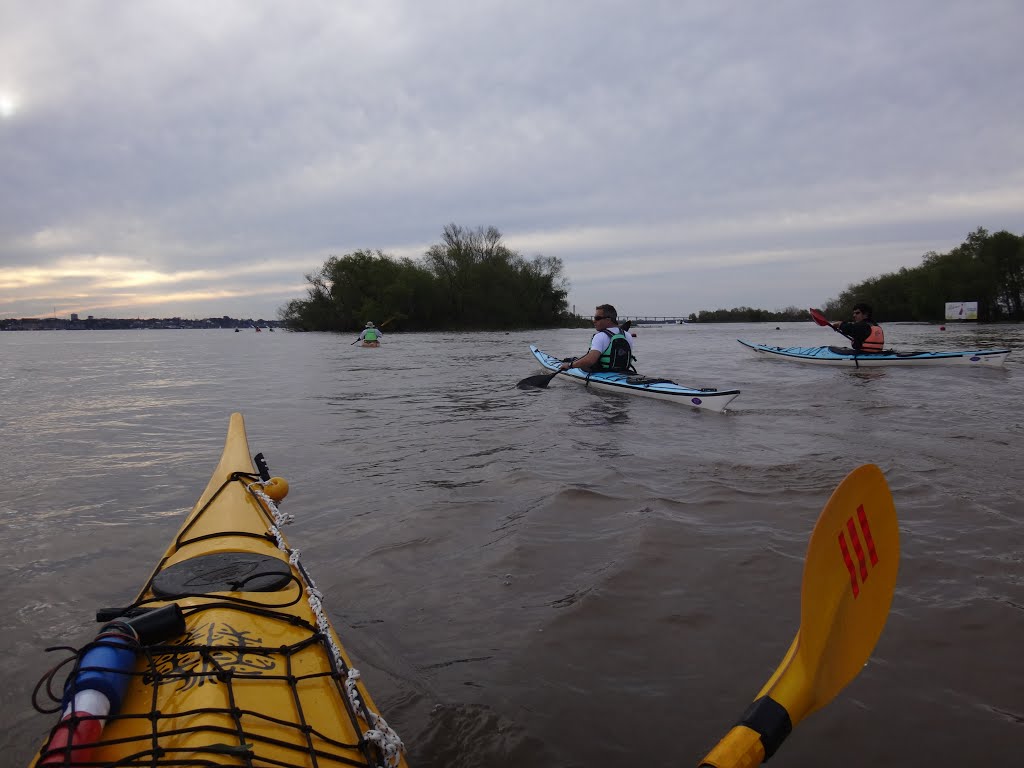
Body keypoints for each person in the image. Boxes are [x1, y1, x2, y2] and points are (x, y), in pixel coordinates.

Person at [559, 304, 636, 372]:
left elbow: (590, 360)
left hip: (601, 372)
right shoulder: (627, 335)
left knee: (577, 363)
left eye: (597, 318)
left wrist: (570, 365)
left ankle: (570, 361)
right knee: (575, 359)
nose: (594, 321)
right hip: (623, 372)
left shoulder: (600, 336)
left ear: (608, 320)